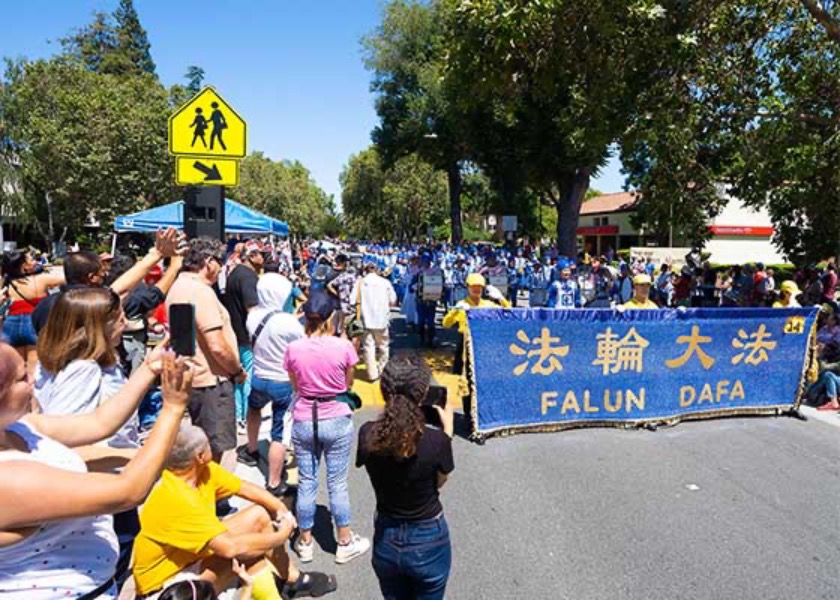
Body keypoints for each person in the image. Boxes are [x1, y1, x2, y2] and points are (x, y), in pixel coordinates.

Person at [0, 344, 192, 599]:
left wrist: (148, 369)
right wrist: (173, 407)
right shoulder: (9, 479)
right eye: (22, 378)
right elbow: (128, 491)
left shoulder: (18, 428)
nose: (34, 379)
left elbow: (100, 422)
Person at [132, 422, 336, 600]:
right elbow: (231, 548)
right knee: (245, 553)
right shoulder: (177, 498)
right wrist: (281, 535)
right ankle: (273, 593)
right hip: (167, 588)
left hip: (188, 559)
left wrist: (280, 510)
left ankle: (291, 579)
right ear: (200, 456)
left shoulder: (201, 471)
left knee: (258, 517)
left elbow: (243, 487)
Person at [357, 356, 455, 600]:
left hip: (386, 536)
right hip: (429, 538)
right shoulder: (437, 441)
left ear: (382, 391)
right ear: (422, 395)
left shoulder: (368, 433)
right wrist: (448, 432)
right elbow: (439, 482)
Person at [284, 291, 370, 565]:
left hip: (304, 416)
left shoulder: (294, 348)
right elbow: (348, 385)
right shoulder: (343, 347)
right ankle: (344, 539)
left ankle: (305, 540)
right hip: (336, 416)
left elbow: (295, 385)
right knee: (337, 482)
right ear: (332, 318)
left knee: (307, 481)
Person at [167, 237, 244, 463]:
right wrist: (236, 371)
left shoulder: (178, 287)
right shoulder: (201, 292)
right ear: (209, 262)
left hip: (192, 376)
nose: (220, 268)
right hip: (212, 382)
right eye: (219, 262)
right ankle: (213, 497)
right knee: (213, 450)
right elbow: (217, 346)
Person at [32, 227, 185, 335]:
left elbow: (119, 288)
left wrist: (156, 255)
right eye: (101, 273)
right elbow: (120, 290)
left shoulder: (45, 305)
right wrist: (165, 260)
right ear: (91, 277)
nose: (105, 275)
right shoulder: (93, 304)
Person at [237, 275, 305, 496]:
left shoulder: (253, 317)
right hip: (282, 381)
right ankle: (275, 482)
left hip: (259, 376)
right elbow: (300, 345)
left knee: (254, 410)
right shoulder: (289, 322)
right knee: (280, 432)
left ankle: (252, 448)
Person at [223, 240, 265, 425]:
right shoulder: (248, 277)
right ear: (251, 256)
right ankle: (246, 416)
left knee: (239, 376)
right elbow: (252, 309)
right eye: (260, 254)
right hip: (246, 337)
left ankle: (238, 414)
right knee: (248, 376)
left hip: (235, 333)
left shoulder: (235, 274)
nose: (263, 258)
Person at [1, 250, 64, 371]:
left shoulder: (5, 281)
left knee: (17, 367)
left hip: (10, 325)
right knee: (33, 367)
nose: (35, 261)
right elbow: (72, 276)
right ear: (24, 265)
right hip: (33, 323)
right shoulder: (41, 279)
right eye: (31, 259)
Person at [442, 273, 510, 376]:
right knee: (461, 373)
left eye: (479, 287)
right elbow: (446, 324)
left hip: (483, 342)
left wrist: (501, 298)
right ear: (468, 287)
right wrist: (455, 310)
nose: (476, 289)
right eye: (473, 287)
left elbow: (509, 313)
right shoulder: (462, 304)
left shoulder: (488, 305)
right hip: (464, 342)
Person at [353, 260, 398, 382]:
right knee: (384, 346)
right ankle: (382, 369)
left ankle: (372, 374)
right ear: (376, 270)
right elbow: (393, 300)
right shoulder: (385, 282)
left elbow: (352, 300)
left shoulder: (360, 283)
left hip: (366, 319)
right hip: (382, 319)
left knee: (368, 347)